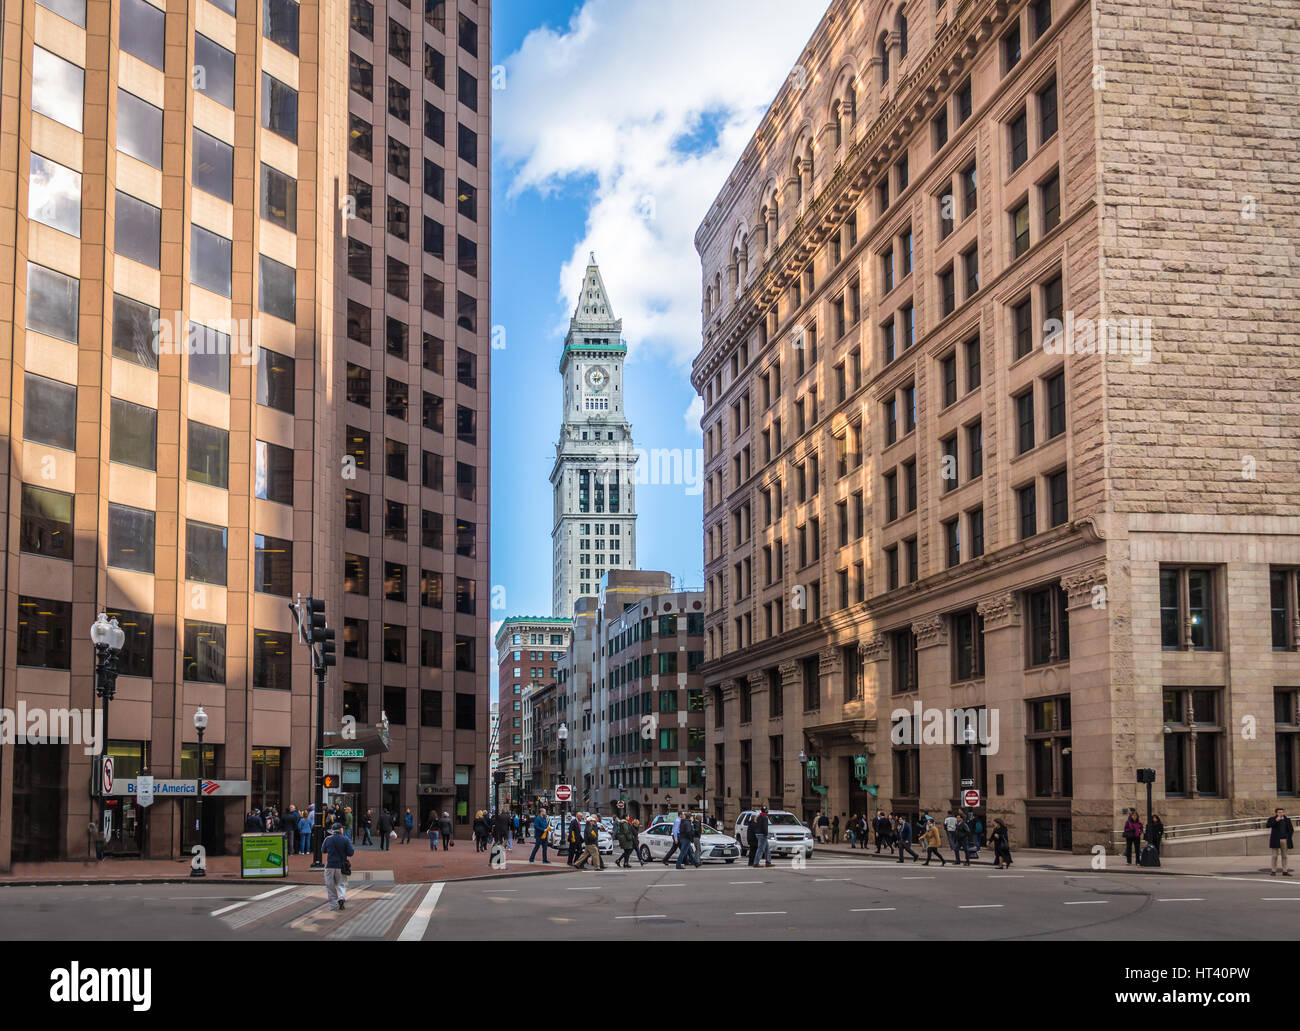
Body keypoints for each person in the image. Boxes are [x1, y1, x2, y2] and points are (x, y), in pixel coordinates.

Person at [322, 822, 354, 911]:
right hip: (341, 866)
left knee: (330, 885)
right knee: (341, 883)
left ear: (333, 831)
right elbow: (351, 853)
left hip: (330, 865)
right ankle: (341, 898)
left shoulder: (328, 839)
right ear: (341, 830)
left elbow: (323, 850)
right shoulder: (345, 839)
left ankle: (333, 905)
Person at [1267, 807, 1294, 876]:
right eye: (1279, 812)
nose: (1281, 813)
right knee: (1274, 856)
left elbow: (1291, 830)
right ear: (1276, 813)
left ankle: (1285, 871)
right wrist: (1276, 820)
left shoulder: (1287, 820)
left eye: (1282, 812)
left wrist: (1288, 837)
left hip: (1284, 840)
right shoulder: (1272, 819)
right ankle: (1273, 871)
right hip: (1275, 840)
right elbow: (1268, 825)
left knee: (1284, 856)